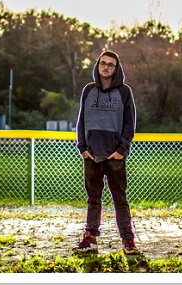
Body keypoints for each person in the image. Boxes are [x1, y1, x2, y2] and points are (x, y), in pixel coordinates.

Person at [73, 50, 139, 255]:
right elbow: (81, 121)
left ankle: (128, 241)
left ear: (116, 68)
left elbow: (130, 124)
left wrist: (122, 150)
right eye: (103, 63)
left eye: (111, 64)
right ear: (98, 65)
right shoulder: (88, 90)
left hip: (114, 156)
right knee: (93, 199)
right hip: (92, 155)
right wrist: (83, 148)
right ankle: (90, 238)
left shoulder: (125, 92)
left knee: (120, 199)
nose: (106, 67)